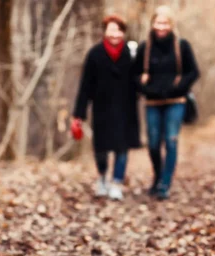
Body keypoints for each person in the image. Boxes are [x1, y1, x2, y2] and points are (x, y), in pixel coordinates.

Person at [134, 6, 200, 200]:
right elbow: (134, 76)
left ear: (171, 25)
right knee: (153, 143)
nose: (161, 26)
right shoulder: (144, 48)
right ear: (152, 24)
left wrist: (178, 88)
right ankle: (158, 175)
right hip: (152, 103)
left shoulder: (182, 46)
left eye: (165, 23)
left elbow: (193, 72)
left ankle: (165, 183)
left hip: (176, 101)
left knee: (171, 140)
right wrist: (147, 89)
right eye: (158, 22)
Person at [72, 15, 140, 201]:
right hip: (102, 108)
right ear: (104, 31)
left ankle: (117, 183)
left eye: (118, 30)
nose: (115, 34)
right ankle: (102, 177)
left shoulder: (132, 53)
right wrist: (79, 114)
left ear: (123, 32)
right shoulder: (95, 54)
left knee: (122, 148)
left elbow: (140, 82)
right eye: (111, 29)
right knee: (101, 149)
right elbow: (85, 86)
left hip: (126, 109)